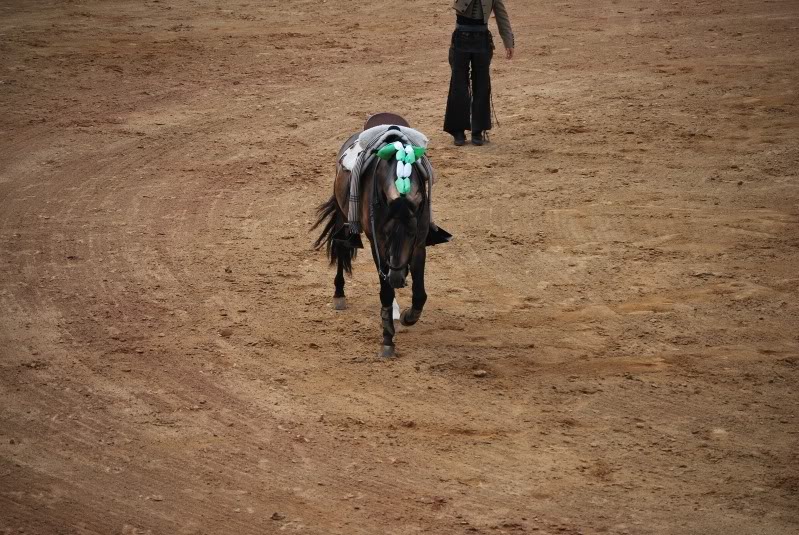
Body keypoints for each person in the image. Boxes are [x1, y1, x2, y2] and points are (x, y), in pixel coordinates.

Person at [444, 0, 514, 146]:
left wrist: (508, 42)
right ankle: (458, 130)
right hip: (461, 38)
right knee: (459, 85)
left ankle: (478, 130)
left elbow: (501, 15)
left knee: (482, 85)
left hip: (482, 40)